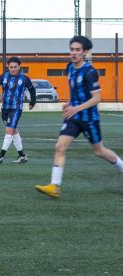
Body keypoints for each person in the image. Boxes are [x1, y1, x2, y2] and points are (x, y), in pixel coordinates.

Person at [35, 36, 123, 198]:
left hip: (89, 118)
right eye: (72, 49)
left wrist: (77, 107)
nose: (74, 53)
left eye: (77, 50)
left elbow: (97, 98)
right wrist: (69, 103)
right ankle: (55, 186)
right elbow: (77, 91)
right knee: (60, 147)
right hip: (73, 117)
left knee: (99, 151)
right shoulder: (69, 67)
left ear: (85, 52)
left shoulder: (90, 72)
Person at [0, 56, 36, 163]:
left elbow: (32, 90)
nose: (13, 69)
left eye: (15, 67)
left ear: (19, 67)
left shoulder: (24, 78)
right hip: (4, 109)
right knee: (13, 131)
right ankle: (22, 156)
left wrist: (32, 102)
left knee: (9, 130)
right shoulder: (3, 77)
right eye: (11, 67)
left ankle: (1, 155)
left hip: (16, 109)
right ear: (8, 67)